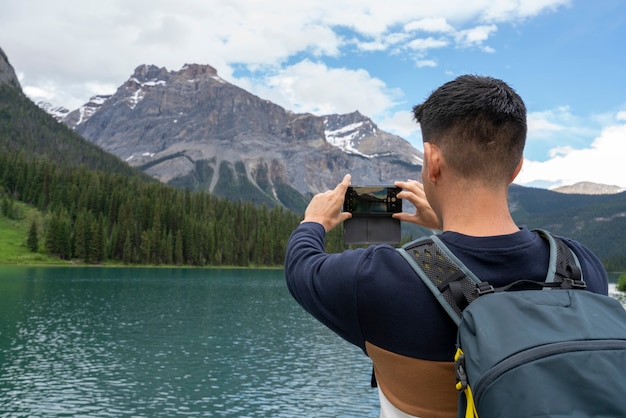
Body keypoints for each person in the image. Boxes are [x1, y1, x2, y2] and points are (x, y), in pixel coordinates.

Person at [284, 75, 608, 418]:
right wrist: (444, 224)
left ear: (432, 161)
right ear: (517, 167)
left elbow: (300, 267)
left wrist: (314, 222)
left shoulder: (374, 279)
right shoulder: (581, 266)